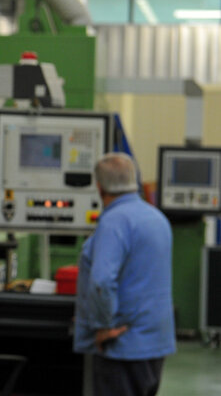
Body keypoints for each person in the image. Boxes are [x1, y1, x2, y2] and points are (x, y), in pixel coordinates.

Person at [74, 152, 176, 396]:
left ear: (99, 187)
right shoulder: (157, 218)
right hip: (155, 342)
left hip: (122, 346)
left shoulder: (114, 222)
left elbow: (101, 281)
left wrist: (104, 325)